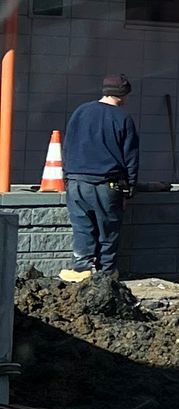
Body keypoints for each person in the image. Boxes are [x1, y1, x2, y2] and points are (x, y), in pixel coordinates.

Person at [58, 74, 139, 286]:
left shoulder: (80, 112)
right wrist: (129, 188)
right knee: (108, 232)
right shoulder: (122, 119)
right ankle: (106, 278)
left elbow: (67, 146)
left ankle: (81, 270)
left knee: (82, 227)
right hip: (106, 184)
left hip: (76, 182)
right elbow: (131, 158)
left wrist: (68, 176)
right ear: (123, 95)